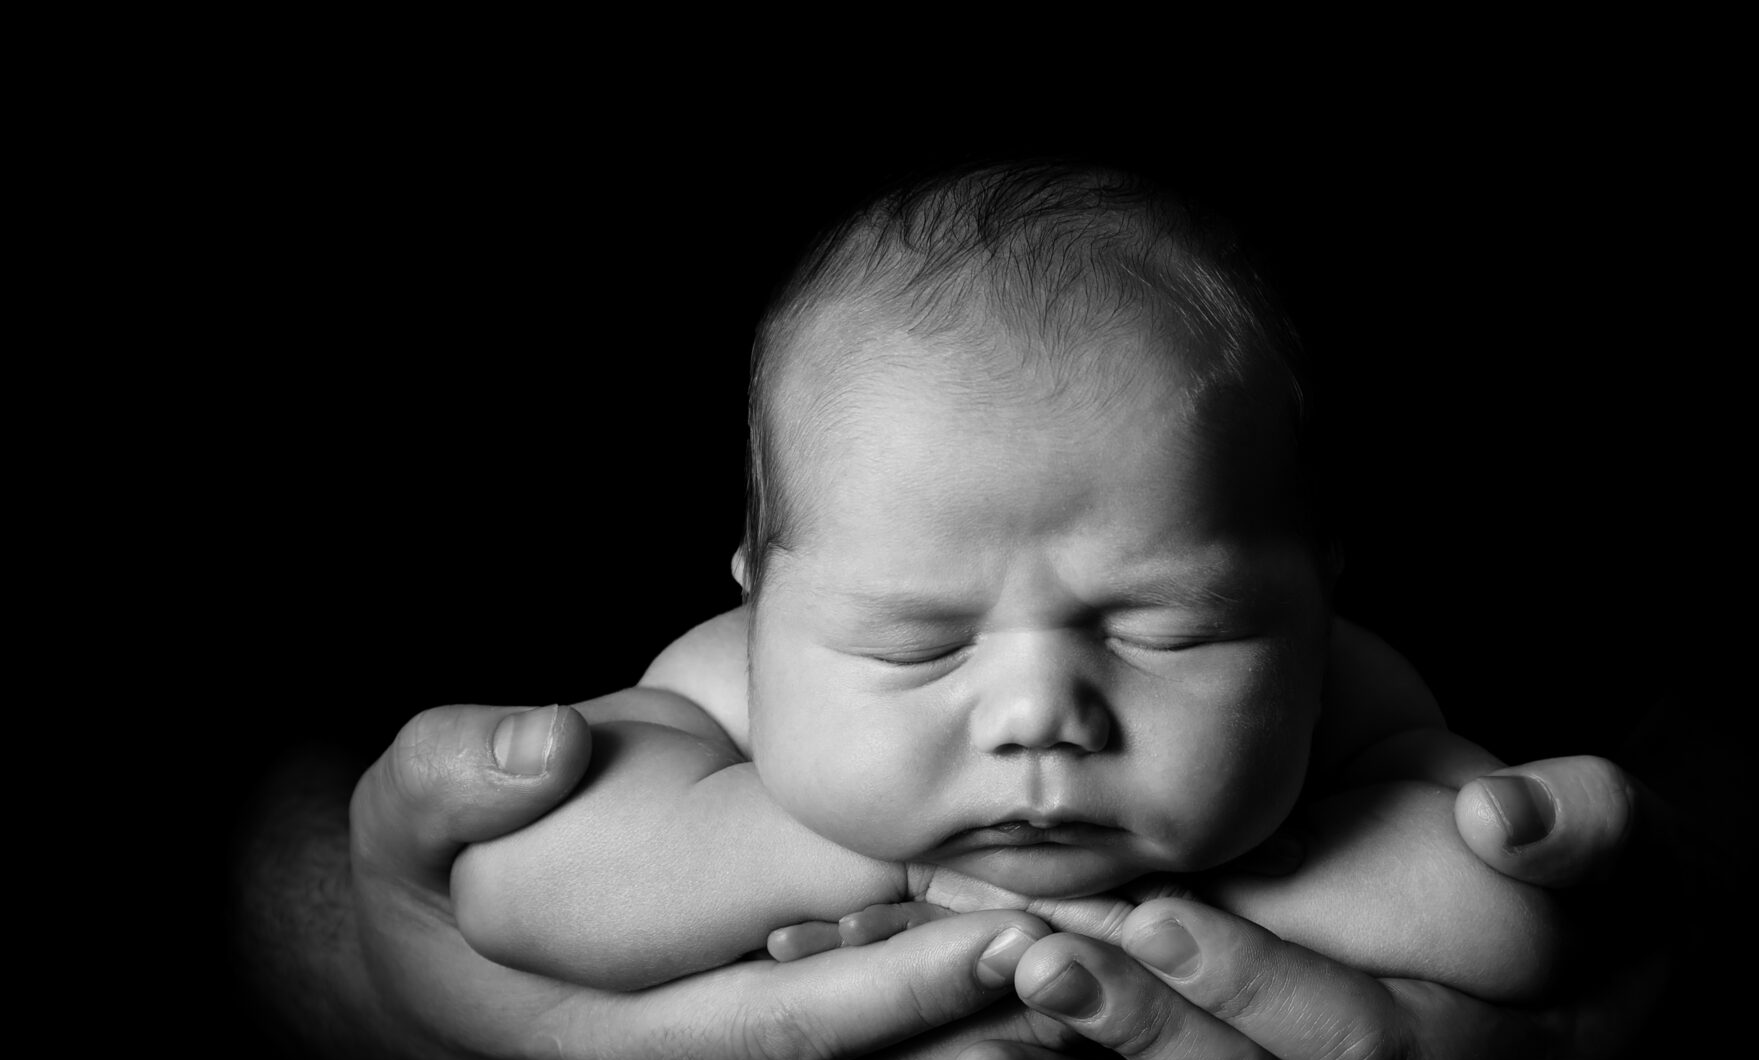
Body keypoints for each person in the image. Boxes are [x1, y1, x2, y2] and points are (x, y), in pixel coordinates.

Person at [447, 162, 1580, 1016]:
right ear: (760, 604)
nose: (1039, 712)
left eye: (1168, 631)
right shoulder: (725, 689)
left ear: (1309, 596)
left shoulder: (1338, 694)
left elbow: (1516, 919)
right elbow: (510, 884)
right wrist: (882, 853)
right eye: (915, 642)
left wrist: (1191, 894)